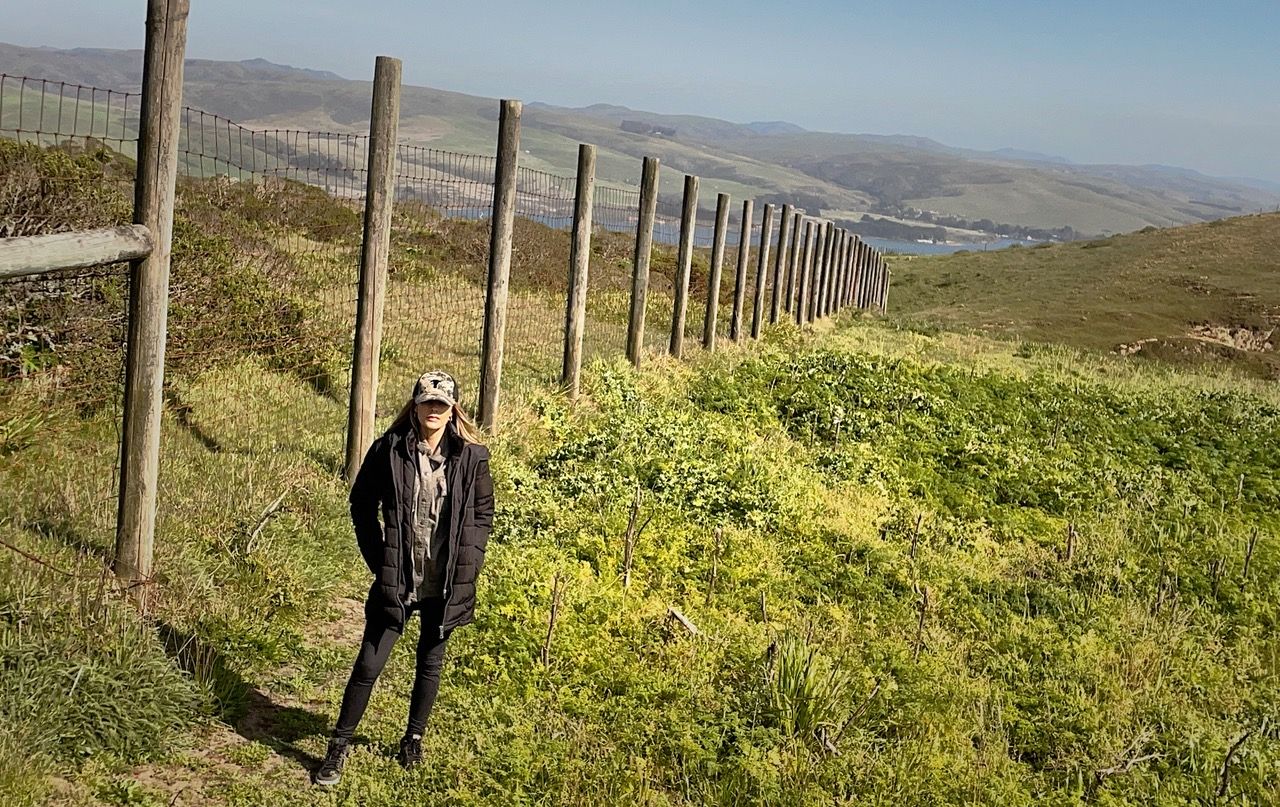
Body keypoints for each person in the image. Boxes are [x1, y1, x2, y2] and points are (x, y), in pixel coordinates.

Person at [314, 370, 494, 786]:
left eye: (442, 404)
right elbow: (361, 505)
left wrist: (470, 561)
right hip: (397, 580)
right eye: (427, 401)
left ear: (452, 411)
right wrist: (380, 561)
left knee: (430, 662)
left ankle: (413, 737)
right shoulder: (388, 451)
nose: (434, 409)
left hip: (444, 585)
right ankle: (338, 745)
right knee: (368, 664)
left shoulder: (472, 458)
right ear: (415, 405)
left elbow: (483, 514)